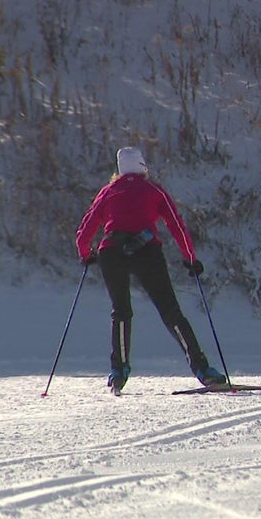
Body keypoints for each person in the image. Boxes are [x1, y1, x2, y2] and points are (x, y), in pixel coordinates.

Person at [75, 147, 226, 394]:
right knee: (170, 311)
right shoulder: (154, 190)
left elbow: (84, 231)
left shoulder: (108, 192)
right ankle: (202, 370)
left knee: (121, 312)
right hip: (147, 252)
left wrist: (86, 255)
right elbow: (176, 224)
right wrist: (190, 259)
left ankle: (118, 373)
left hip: (112, 252)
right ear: (143, 167)